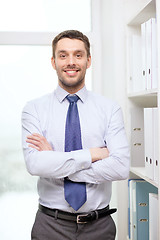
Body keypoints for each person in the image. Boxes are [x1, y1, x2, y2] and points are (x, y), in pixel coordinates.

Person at [21, 30, 130, 240]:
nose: (71, 62)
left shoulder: (109, 109)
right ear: (53, 62)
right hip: (50, 226)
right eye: (63, 55)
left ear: (88, 61)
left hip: (99, 226)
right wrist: (92, 154)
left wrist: (56, 163)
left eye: (78, 55)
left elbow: (120, 167)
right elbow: (35, 165)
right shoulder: (33, 109)